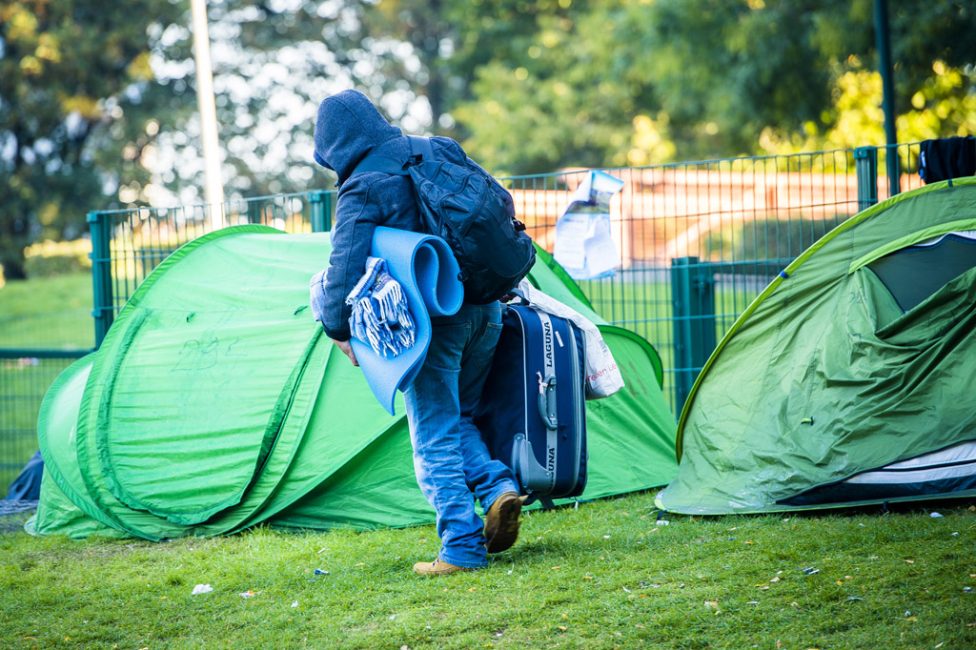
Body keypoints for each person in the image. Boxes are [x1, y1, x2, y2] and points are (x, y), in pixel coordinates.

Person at [312, 89, 524, 575]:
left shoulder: (363, 184)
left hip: (432, 322)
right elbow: (499, 204)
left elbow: (343, 271)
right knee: (458, 416)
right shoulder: (439, 148)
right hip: (486, 308)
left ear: (335, 146)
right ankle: (498, 489)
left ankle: (461, 549)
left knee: (432, 437)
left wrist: (335, 327)